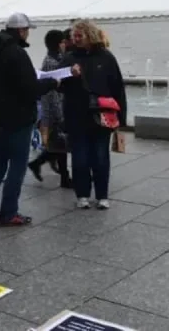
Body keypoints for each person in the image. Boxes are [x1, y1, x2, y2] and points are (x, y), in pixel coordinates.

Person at [0, 13, 58, 226]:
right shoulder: (17, 53)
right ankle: (8, 213)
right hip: (19, 116)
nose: (28, 34)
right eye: (27, 30)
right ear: (21, 31)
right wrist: (52, 83)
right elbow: (30, 88)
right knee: (17, 165)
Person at [61, 20, 127, 209]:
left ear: (90, 35)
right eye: (74, 36)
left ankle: (102, 195)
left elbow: (118, 88)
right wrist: (68, 74)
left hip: (102, 115)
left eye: (79, 35)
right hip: (76, 114)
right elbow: (58, 85)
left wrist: (121, 117)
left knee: (100, 156)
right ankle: (82, 194)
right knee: (80, 158)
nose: (76, 39)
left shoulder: (106, 57)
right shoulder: (69, 58)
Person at [28, 30, 72, 188]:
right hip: (54, 109)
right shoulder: (52, 62)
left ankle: (40, 164)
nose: (64, 45)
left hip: (54, 108)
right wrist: (59, 114)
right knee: (60, 144)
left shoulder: (55, 59)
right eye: (62, 42)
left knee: (59, 145)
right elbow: (52, 91)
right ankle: (63, 177)